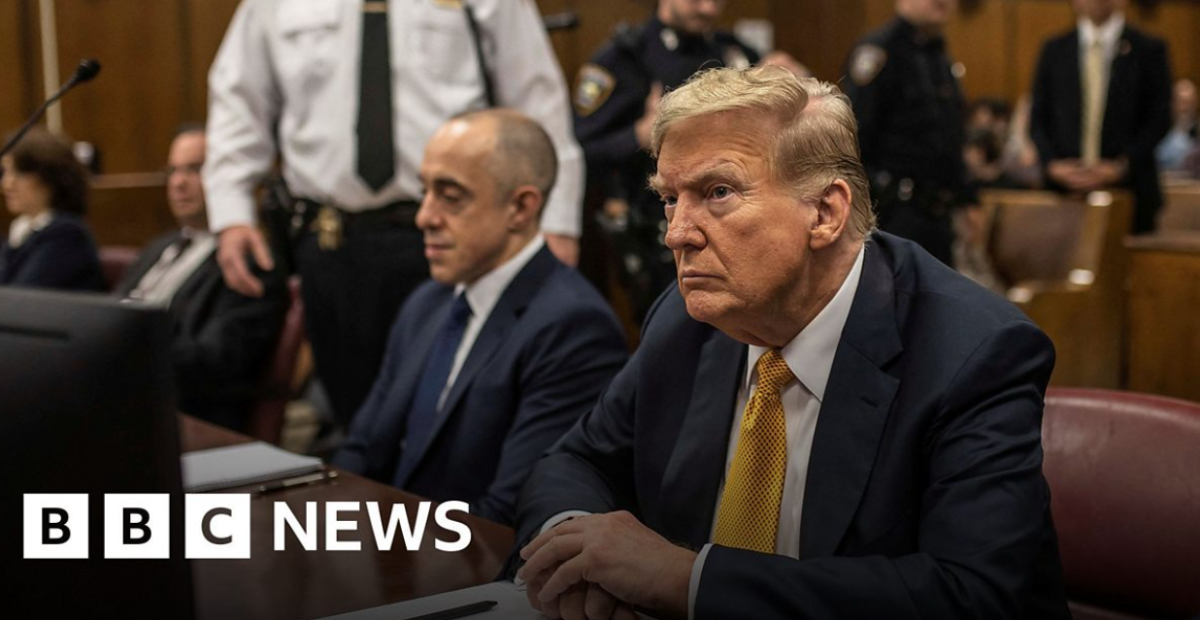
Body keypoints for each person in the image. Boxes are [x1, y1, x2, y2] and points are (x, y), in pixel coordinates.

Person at [514, 66, 1070, 620]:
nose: (676, 233)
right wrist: (575, 551)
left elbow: (969, 595)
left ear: (825, 212)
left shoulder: (972, 353)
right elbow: (576, 461)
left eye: (718, 192)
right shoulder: (687, 322)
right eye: (670, 198)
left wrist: (682, 579)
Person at [204, 0, 586, 429]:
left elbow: (537, 101)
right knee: (356, 420)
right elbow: (238, 98)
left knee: (463, 417)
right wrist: (231, 211)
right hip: (331, 244)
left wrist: (556, 222)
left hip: (458, 237)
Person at [333, 110, 627, 526]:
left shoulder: (573, 326)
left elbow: (508, 514)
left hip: (460, 556)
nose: (424, 217)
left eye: (451, 197)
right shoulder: (427, 302)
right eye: (425, 192)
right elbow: (362, 450)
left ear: (520, 207)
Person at [575, 0, 804, 325]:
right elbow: (580, 150)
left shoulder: (732, 52)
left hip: (734, 226)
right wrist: (637, 136)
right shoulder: (624, 58)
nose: (708, 9)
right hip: (660, 233)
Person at [114, 126, 287, 432]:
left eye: (195, 169)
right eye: (173, 171)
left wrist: (131, 345)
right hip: (120, 393)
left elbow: (215, 364)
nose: (178, 183)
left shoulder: (251, 262)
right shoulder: (158, 247)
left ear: (226, 177)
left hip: (182, 416)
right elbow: (109, 313)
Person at [843, 0, 971, 267]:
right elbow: (854, 136)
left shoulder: (937, 53)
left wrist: (967, 198)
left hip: (938, 214)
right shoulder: (880, 50)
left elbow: (949, 136)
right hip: (895, 213)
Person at [1029, 0, 1171, 234]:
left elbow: (1160, 118)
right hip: (1064, 193)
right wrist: (1053, 165)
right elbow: (1038, 118)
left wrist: (1121, 166)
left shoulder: (1148, 49)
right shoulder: (1055, 49)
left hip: (1129, 193)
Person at [1, 129, 105, 292]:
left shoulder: (67, 235)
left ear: (51, 177)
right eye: (5, 172)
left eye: (20, 173)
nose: (7, 184)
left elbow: (22, 297)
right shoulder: (21, 231)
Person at [1157, 78, 1198, 174]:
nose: (1184, 108)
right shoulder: (1159, 130)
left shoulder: (1197, 131)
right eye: (1181, 102)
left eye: (1188, 102)